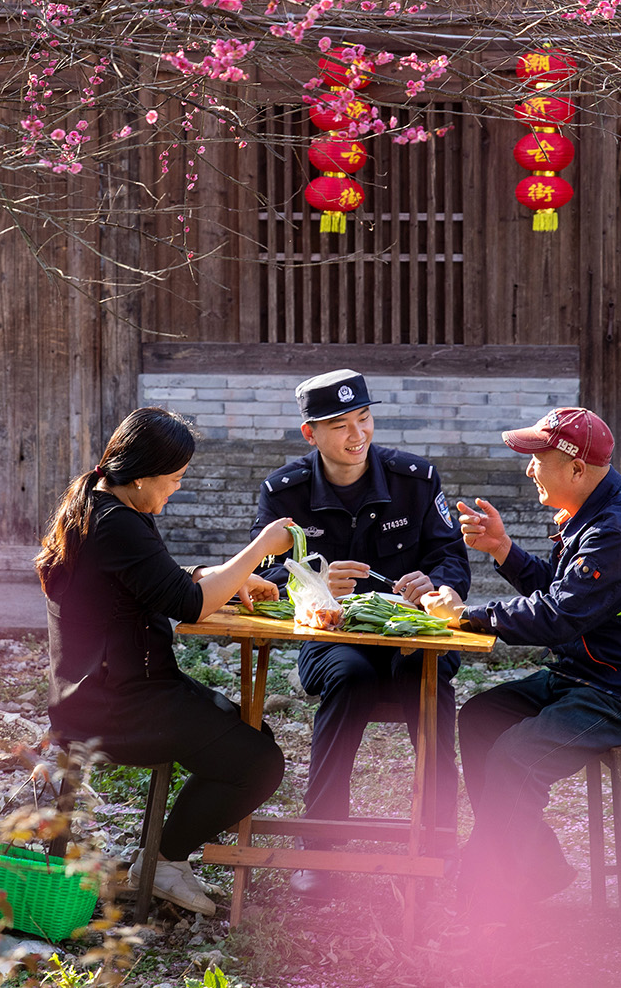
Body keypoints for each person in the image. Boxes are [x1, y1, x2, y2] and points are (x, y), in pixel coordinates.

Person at [420, 406, 621, 919]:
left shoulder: (618, 531)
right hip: (589, 676)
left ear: (575, 468)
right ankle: (536, 868)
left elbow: (557, 618)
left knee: (515, 758)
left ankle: (493, 898)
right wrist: (504, 549)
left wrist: (466, 616)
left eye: (537, 459)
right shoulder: (595, 511)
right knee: (481, 717)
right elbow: (563, 594)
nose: (529, 469)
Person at [37, 406, 296, 916]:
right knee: (259, 762)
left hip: (103, 692)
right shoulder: (116, 522)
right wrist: (259, 549)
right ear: (141, 475)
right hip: (119, 706)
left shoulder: (97, 503)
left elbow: (154, 577)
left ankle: (163, 857)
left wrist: (218, 574)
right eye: (174, 478)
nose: (177, 488)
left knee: (253, 734)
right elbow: (189, 605)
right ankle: (163, 862)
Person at [252, 369, 470, 898]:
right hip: (332, 638)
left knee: (425, 677)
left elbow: (452, 559)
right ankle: (320, 847)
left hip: (412, 632)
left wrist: (434, 582)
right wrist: (313, 583)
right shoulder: (285, 492)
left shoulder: (414, 479)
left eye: (364, 418)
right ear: (310, 434)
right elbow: (260, 576)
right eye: (340, 425)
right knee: (350, 678)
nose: (358, 435)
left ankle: (439, 843)